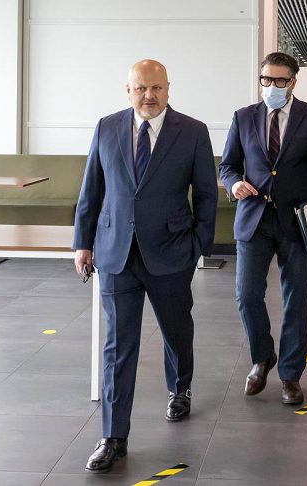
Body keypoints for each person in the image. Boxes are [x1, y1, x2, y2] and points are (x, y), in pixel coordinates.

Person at [73, 59, 218, 473]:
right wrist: (82, 243)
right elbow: (91, 190)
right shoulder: (106, 127)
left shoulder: (192, 132)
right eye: (141, 88)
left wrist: (198, 245)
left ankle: (180, 386)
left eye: (156, 88)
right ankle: (113, 437)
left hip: (171, 251)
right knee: (118, 346)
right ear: (128, 90)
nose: (149, 96)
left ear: (168, 89)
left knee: (176, 328)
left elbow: (206, 194)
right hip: (116, 250)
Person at [219, 52, 307, 405]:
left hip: (298, 222)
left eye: (280, 81)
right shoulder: (243, 118)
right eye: (266, 80)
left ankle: (291, 375)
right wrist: (233, 184)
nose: (272, 87)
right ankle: (263, 357)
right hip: (254, 219)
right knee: (247, 296)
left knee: (296, 300)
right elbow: (228, 166)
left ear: (293, 82)